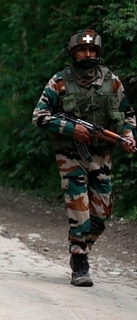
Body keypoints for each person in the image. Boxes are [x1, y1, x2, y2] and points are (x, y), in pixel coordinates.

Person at [32, 29, 136, 287]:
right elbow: (39, 116)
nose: (87, 54)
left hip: (101, 156)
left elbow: (129, 114)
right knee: (79, 207)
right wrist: (70, 128)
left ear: (98, 53)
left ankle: (80, 246)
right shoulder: (60, 82)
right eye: (82, 50)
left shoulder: (112, 81)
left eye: (92, 50)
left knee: (101, 215)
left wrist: (128, 134)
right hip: (70, 156)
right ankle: (79, 262)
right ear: (73, 53)